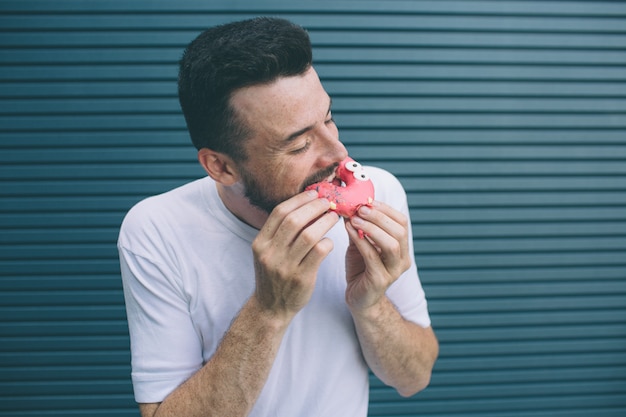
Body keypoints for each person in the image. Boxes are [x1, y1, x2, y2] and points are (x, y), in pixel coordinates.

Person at [118, 16, 438, 417]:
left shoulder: (382, 192)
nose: (339, 154)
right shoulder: (155, 230)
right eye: (300, 144)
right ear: (221, 167)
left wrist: (371, 303)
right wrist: (269, 309)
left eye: (328, 119)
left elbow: (414, 378)